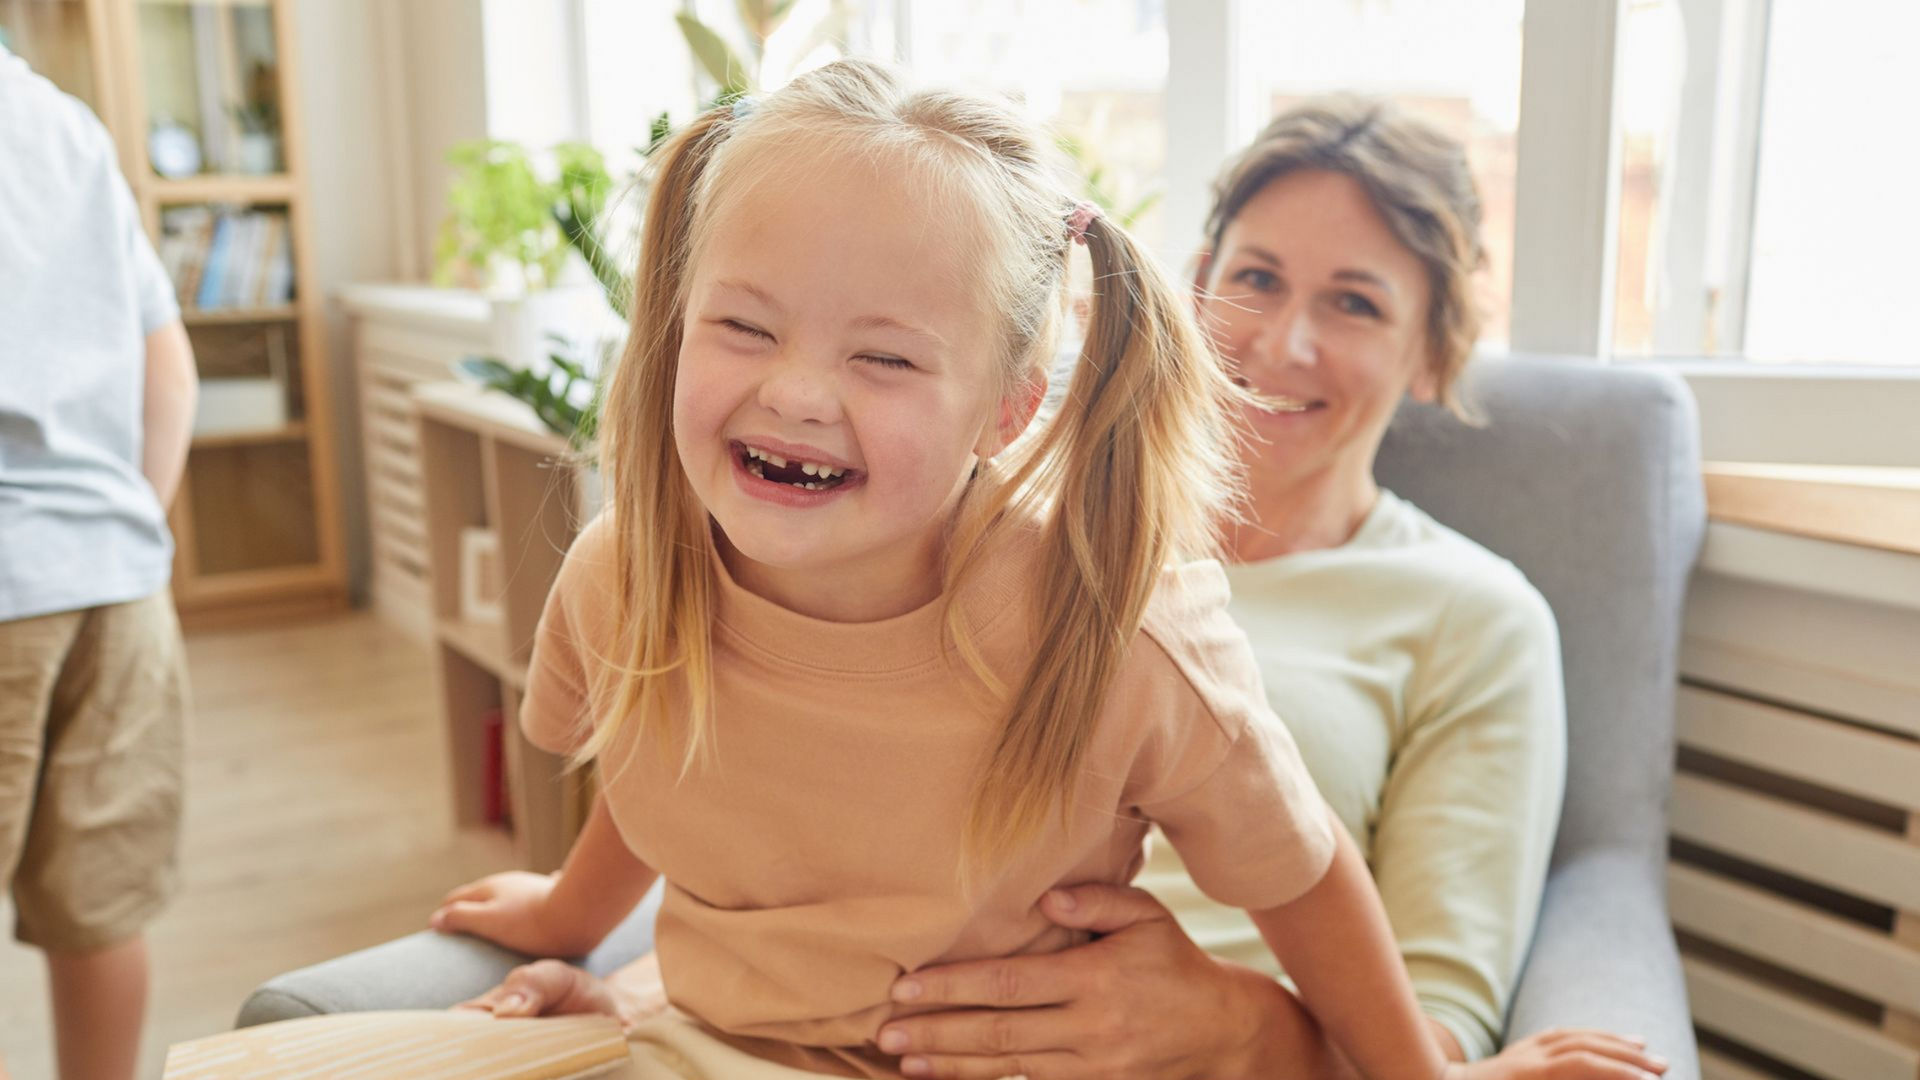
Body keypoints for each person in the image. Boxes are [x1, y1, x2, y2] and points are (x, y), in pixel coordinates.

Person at [428, 61, 1457, 1080]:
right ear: (673, 325)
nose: (796, 394)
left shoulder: (1114, 633)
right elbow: (664, 764)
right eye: (743, 327)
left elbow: (1298, 870)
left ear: (1008, 408)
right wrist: (569, 914)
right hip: (689, 1041)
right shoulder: (625, 573)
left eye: (884, 359)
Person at [858, 98, 1673, 1080]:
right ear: (1197, 289)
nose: (1285, 344)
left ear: (1433, 352)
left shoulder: (1474, 619)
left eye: (1355, 304)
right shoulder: (1012, 526)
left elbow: (1435, 1035)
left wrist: (1228, 1023)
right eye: (1258, 280)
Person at [0, 40, 199, 1080]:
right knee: (100, 910)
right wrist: (127, 536)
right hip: (117, 585)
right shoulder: (63, 123)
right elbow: (171, 373)